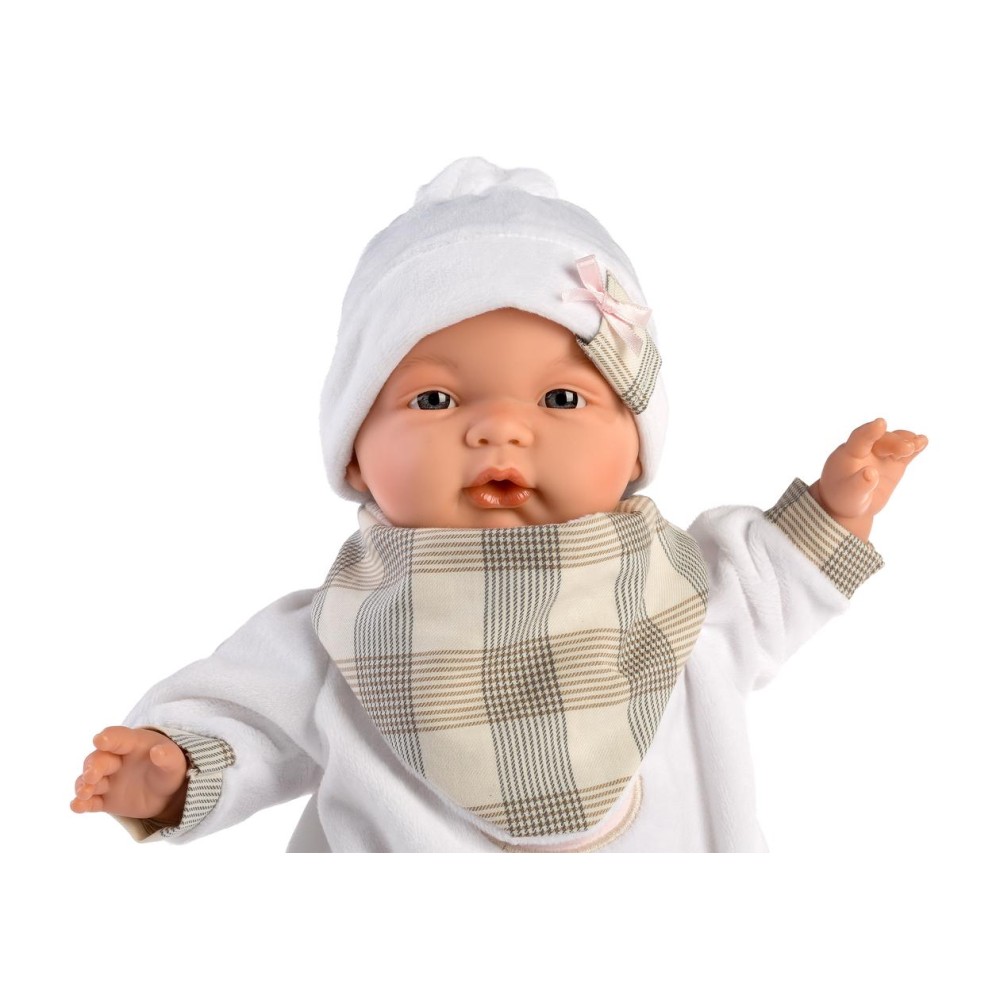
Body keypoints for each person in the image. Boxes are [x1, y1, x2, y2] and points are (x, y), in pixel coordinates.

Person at [70, 157, 927, 851]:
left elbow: (775, 579)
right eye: (435, 401)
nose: (499, 430)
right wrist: (172, 772)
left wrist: (837, 509)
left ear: (637, 449)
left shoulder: (685, 593)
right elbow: (242, 721)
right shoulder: (340, 631)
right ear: (355, 456)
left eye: (561, 399)